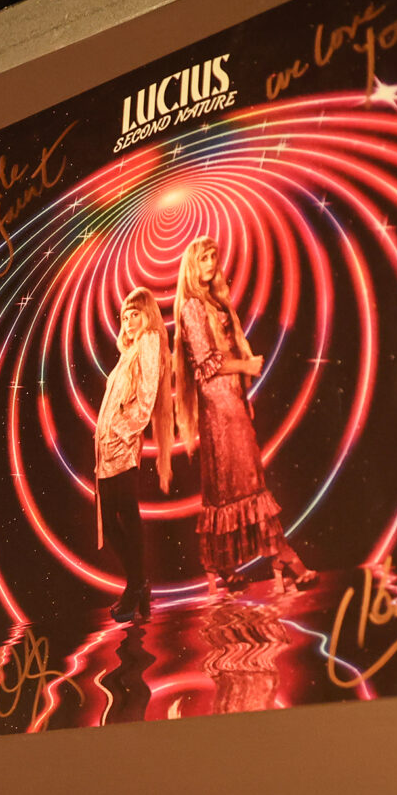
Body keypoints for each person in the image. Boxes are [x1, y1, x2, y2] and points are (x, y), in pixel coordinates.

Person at [173, 235, 309, 591]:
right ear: (192, 264)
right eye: (204, 259)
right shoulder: (191, 307)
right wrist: (246, 365)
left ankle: (229, 562)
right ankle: (279, 555)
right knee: (241, 482)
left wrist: (242, 389)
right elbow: (206, 365)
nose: (211, 265)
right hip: (218, 405)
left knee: (242, 482)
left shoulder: (216, 301)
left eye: (213, 258)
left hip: (231, 401)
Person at [97, 284, 178, 624]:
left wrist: (121, 432)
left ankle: (136, 586)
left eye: (135, 315)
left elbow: (145, 398)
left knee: (124, 514)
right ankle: (137, 584)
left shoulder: (149, 343)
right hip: (107, 448)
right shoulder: (127, 353)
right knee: (112, 517)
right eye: (125, 316)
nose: (128, 322)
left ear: (148, 317)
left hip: (120, 444)